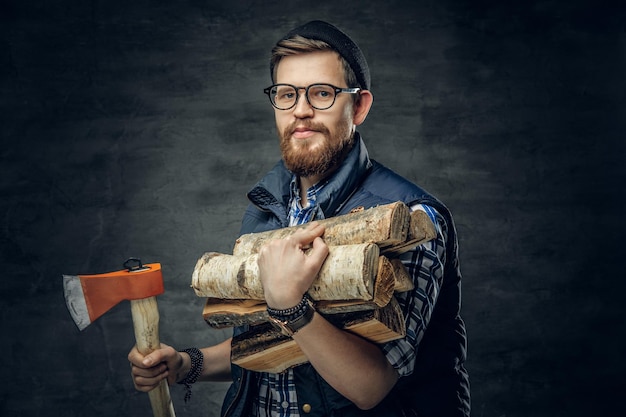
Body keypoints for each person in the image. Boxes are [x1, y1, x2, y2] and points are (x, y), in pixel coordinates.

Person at [129, 20, 470, 417]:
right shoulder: (268, 206)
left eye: (322, 93)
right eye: (286, 95)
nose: (301, 111)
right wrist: (188, 364)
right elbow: (275, 343)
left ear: (358, 106)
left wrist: (292, 307)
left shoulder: (410, 221)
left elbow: (371, 386)